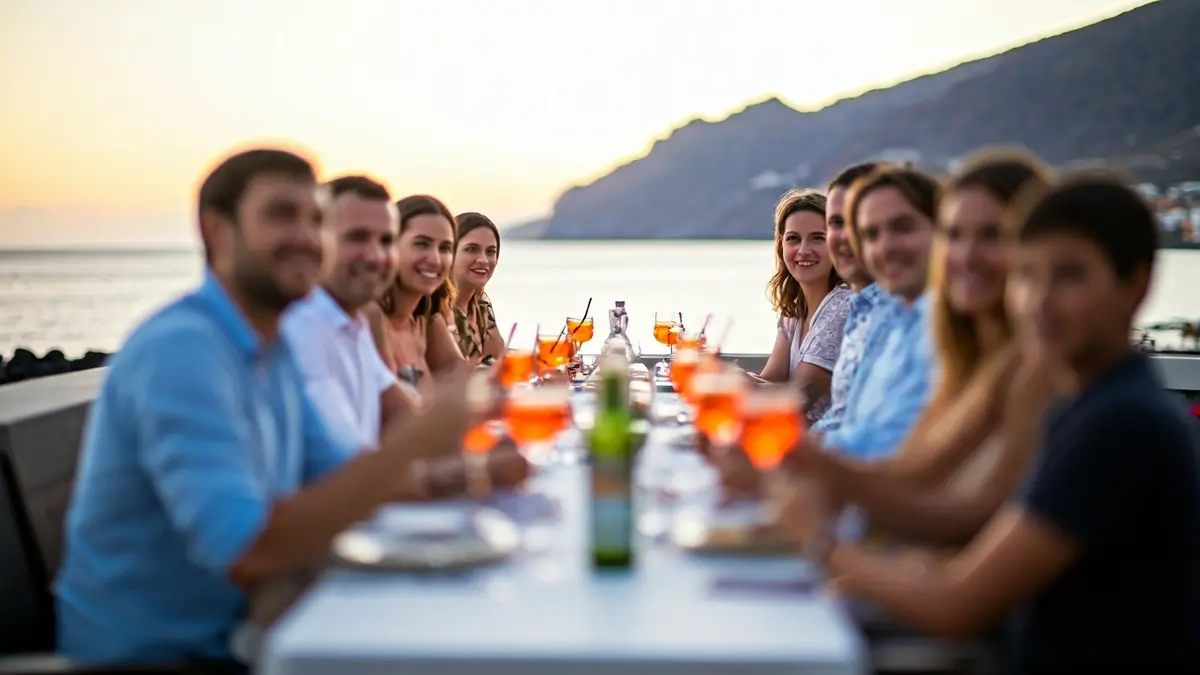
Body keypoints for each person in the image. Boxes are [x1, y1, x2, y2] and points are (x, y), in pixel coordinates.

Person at [54, 149, 477, 665]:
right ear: (216, 231)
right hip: (166, 654)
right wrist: (424, 435)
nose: (305, 236)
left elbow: (346, 478)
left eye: (315, 220)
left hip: (260, 624)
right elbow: (250, 552)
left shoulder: (271, 347)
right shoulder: (184, 348)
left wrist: (476, 475)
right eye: (281, 215)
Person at [772, 174, 1200, 672]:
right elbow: (963, 511)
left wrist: (824, 546)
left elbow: (960, 605)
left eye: (1070, 276)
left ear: (1137, 284)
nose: (1039, 299)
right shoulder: (1080, 395)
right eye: (1028, 274)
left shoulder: (1120, 423)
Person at [790, 151, 1055, 548]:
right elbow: (909, 474)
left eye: (991, 235)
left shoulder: (1038, 370)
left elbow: (969, 526)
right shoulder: (984, 359)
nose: (965, 255)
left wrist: (823, 547)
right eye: (957, 235)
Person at [281, 175, 416, 449]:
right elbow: (346, 464)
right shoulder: (301, 327)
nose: (375, 256)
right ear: (316, 239)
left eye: (387, 241)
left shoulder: (352, 322)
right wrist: (476, 471)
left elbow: (407, 414)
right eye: (357, 238)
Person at [757, 189, 853, 423]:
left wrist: (729, 382)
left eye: (817, 238)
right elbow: (772, 380)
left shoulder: (842, 305)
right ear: (781, 246)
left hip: (830, 451)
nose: (803, 250)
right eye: (793, 238)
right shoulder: (794, 310)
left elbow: (797, 398)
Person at [812, 161, 887, 433]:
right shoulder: (861, 309)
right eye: (836, 223)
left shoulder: (906, 320)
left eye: (859, 222)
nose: (847, 236)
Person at [372, 195, 466, 392]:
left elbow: (464, 385)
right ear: (390, 245)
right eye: (422, 244)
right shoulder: (369, 321)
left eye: (445, 248)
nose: (435, 259)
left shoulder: (426, 322)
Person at [450, 212, 504, 362]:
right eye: (472, 249)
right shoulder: (437, 309)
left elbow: (499, 359)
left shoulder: (481, 306)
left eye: (491, 252)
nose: (483, 260)